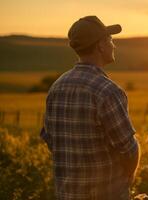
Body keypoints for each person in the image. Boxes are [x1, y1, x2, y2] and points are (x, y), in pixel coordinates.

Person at [40, 16, 140, 200]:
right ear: (101, 46)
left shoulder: (56, 87)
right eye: (110, 40)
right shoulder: (108, 90)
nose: (113, 45)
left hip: (67, 194)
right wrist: (129, 176)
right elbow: (129, 149)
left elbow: (50, 139)